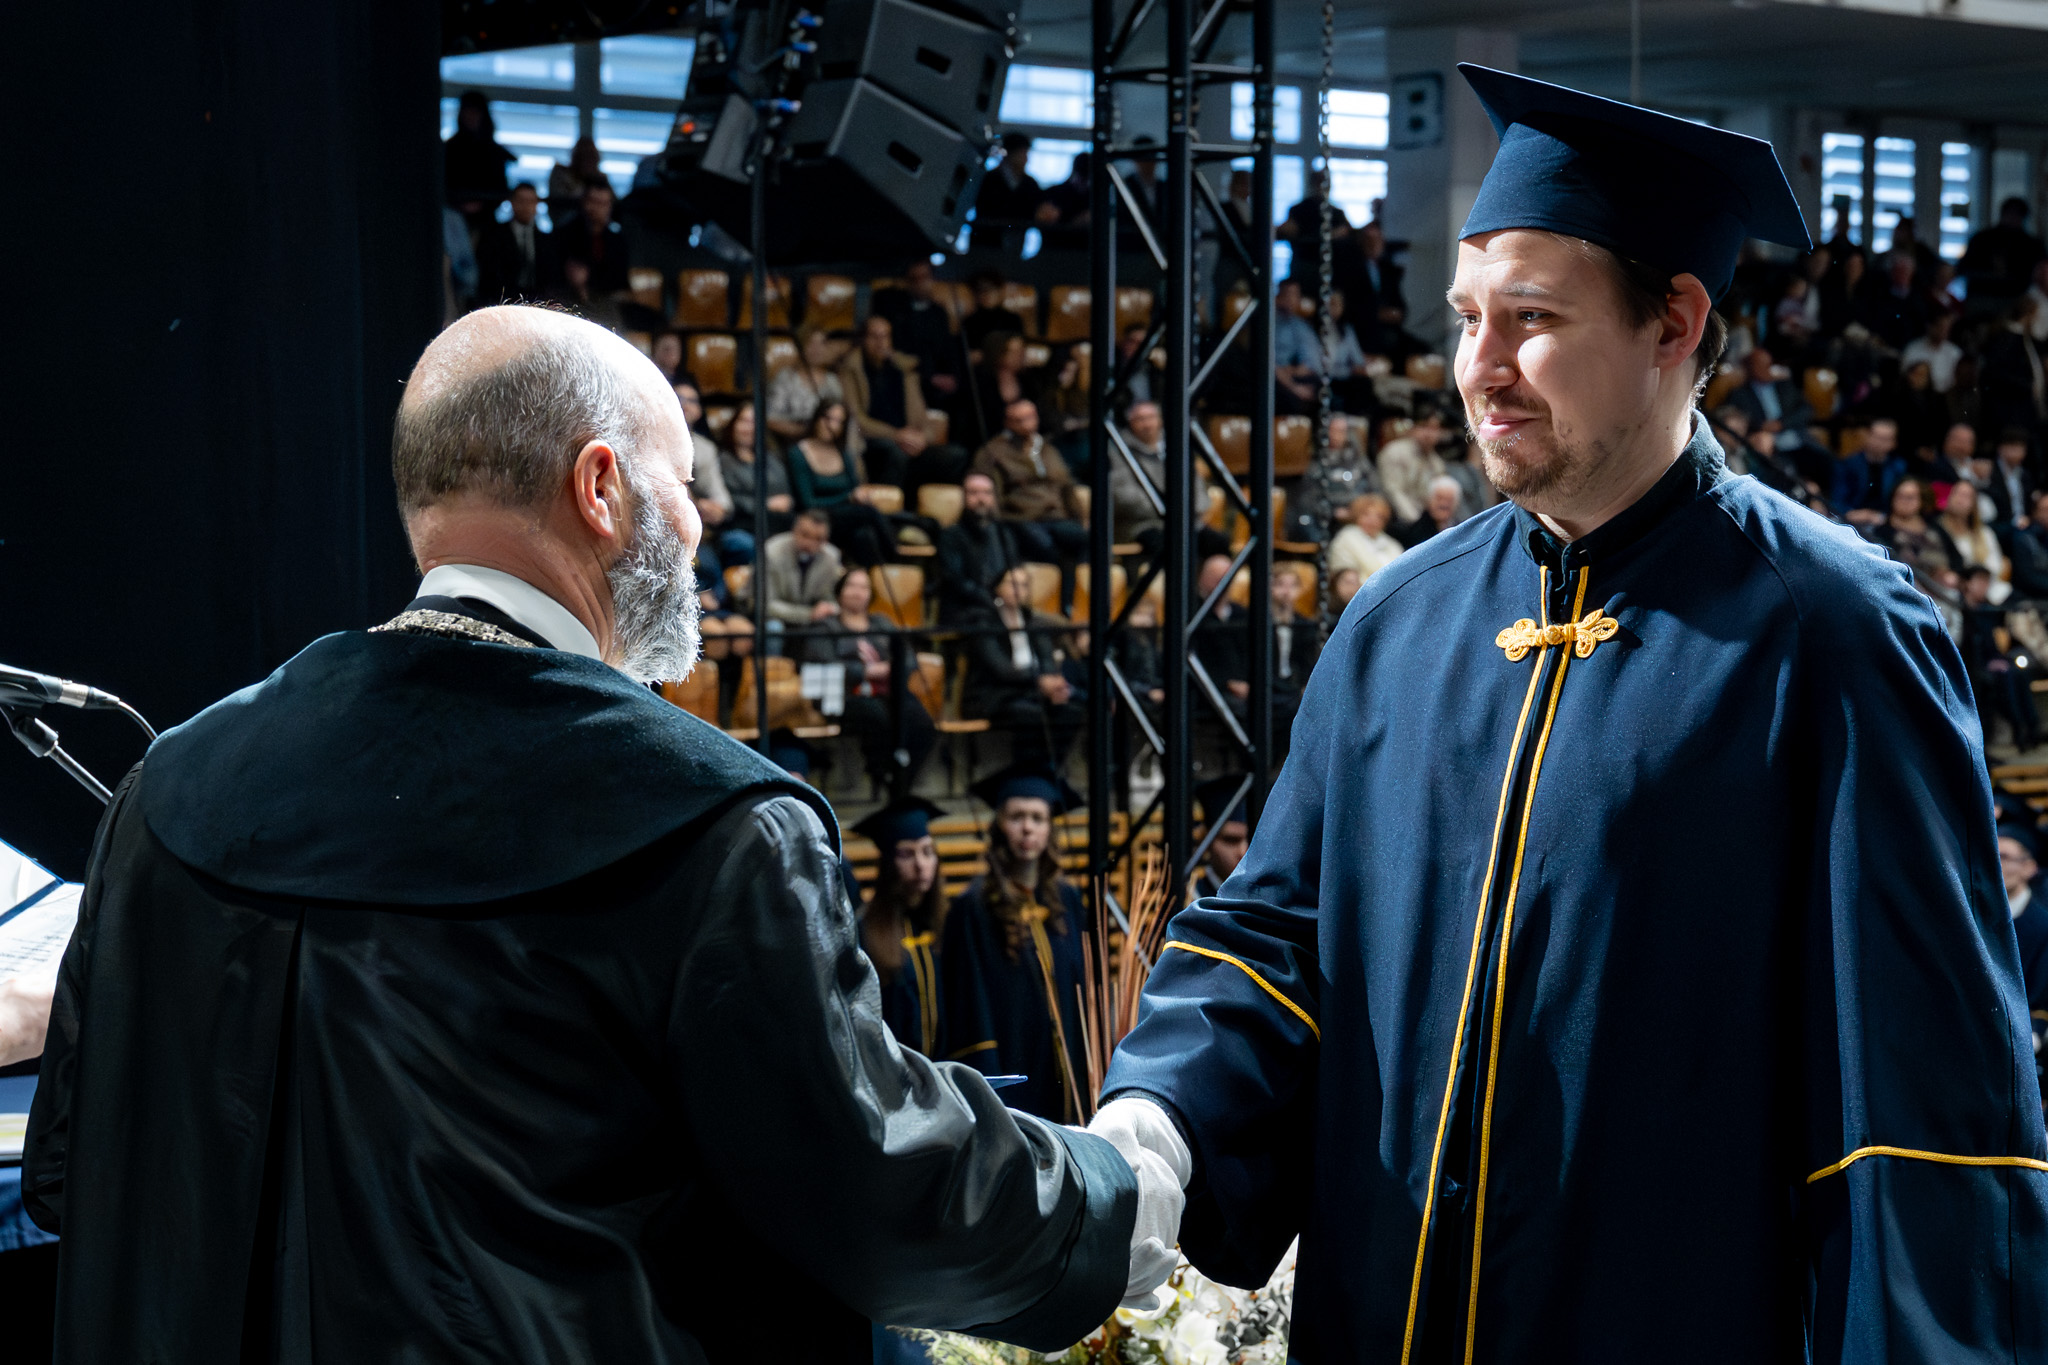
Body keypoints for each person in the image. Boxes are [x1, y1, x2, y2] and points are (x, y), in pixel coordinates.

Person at [1093, 66, 2048, 1361]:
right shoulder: (1397, 624)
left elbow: (1923, 1098)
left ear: (1674, 325)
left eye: (1531, 318)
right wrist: (1164, 1111)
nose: (1479, 367)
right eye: (1465, 318)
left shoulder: (1834, 632)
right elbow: (1281, 942)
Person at [24, 305, 1165, 1361]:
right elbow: (879, 1199)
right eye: (683, 482)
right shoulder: (708, 823)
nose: (701, 520)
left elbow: (73, 1172)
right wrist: (1110, 1193)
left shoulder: (170, 787)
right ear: (601, 485)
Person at [943, 765, 1091, 1123]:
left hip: (1066, 1070)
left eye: (1038, 818)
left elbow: (1084, 987)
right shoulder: (973, 908)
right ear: (999, 826)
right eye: (1017, 817)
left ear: (1050, 829)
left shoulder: (1067, 901)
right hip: (1013, 1072)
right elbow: (969, 1008)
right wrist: (989, 1087)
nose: (1028, 827)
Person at [802, 567, 936, 795]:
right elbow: (822, 664)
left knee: (923, 722)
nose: (857, 592)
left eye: (863, 587)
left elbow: (909, 660)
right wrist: (865, 671)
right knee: (876, 716)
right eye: (851, 586)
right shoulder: (826, 627)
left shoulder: (882, 624)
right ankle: (881, 771)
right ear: (839, 592)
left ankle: (902, 783)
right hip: (844, 695)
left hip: (887, 692)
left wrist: (890, 669)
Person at [850, 798, 950, 1057]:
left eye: (928, 851)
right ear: (887, 864)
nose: (920, 865)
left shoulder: (946, 924)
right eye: (907, 854)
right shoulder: (865, 933)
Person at [961, 565, 1082, 765]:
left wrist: (1053, 681)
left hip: (1031, 691)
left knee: (1071, 710)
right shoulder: (984, 620)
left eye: (1024, 585)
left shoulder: (1032, 620)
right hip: (994, 694)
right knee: (1030, 714)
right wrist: (1039, 680)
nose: (1018, 590)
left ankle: (1049, 769)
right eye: (1012, 584)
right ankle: (1027, 774)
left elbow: (1046, 660)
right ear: (997, 588)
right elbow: (1001, 670)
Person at [974, 396, 1087, 604]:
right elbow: (992, 494)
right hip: (1022, 518)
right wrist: (998, 523)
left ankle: (1080, 603)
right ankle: (1062, 604)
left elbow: (1066, 487)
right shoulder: (994, 452)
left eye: (1030, 417)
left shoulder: (1048, 449)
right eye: (1019, 420)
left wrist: (1078, 517)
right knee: (1050, 551)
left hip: (1057, 517)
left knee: (1090, 542)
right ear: (1008, 423)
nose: (1027, 424)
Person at [839, 315, 968, 493]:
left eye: (885, 336)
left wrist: (923, 438)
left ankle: (931, 510)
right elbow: (857, 420)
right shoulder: (851, 370)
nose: (880, 342)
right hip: (871, 442)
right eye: (874, 336)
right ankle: (889, 511)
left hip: (908, 441)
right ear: (862, 339)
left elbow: (921, 416)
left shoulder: (903, 371)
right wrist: (896, 435)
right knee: (894, 453)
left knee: (955, 455)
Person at [787, 399, 896, 567]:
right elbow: (808, 503)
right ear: (817, 418)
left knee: (863, 535)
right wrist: (848, 497)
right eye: (828, 418)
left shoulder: (843, 452)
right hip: (818, 519)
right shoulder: (797, 453)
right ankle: (896, 559)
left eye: (839, 421)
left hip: (848, 518)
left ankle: (880, 580)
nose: (832, 425)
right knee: (870, 513)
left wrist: (858, 495)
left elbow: (854, 488)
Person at [871, 261, 967, 412]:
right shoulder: (898, 312)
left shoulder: (938, 313)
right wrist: (930, 377)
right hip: (911, 374)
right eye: (914, 279)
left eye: (924, 277)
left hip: (938, 376)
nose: (920, 283)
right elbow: (901, 352)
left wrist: (952, 376)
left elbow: (948, 349)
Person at [935, 472, 1024, 625]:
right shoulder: (951, 535)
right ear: (963, 498)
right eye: (974, 493)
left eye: (987, 493)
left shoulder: (1004, 533)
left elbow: (1014, 570)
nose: (981, 499)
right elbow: (956, 581)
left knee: (1043, 623)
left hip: (1002, 606)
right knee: (986, 621)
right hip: (965, 609)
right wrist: (991, 601)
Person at [769, 326, 855, 445]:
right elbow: (771, 419)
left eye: (821, 344)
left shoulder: (832, 381)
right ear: (801, 347)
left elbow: (840, 415)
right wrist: (805, 432)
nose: (816, 349)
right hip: (793, 441)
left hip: (827, 440)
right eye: (811, 344)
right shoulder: (786, 378)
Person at [475, 182, 557, 303]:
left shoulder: (546, 239)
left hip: (538, 300)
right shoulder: (494, 235)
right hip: (502, 299)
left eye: (531, 201)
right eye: (521, 201)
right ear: (512, 202)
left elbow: (549, 276)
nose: (526, 206)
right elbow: (489, 273)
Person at [444, 90, 512, 230]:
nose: (471, 117)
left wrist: (482, 205)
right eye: (467, 111)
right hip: (452, 220)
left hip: (486, 224)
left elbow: (500, 188)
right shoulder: (449, 149)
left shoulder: (493, 152)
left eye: (475, 112)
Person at [1377, 400, 1454, 523]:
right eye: (1424, 426)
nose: (1429, 434)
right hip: (1395, 519)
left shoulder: (1437, 463)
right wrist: (1415, 521)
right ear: (1413, 428)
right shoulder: (1394, 452)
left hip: (1425, 520)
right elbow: (1393, 492)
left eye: (1434, 429)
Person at [1962, 195, 2048, 302]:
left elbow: (2041, 272)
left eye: (2017, 215)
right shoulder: (1982, 239)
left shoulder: (2031, 244)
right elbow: (1965, 267)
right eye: (2011, 214)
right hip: (1983, 296)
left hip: (2016, 298)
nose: (2013, 219)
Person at [557, 182, 632, 298]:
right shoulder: (564, 235)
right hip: (569, 298)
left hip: (607, 301)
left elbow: (621, 282)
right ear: (584, 202)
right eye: (595, 202)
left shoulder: (617, 240)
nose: (598, 208)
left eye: (604, 204)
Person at [1940, 480, 2010, 602]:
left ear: (1974, 504)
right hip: (1957, 589)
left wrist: (1982, 583)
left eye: (1967, 496)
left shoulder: (1984, 533)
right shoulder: (1939, 530)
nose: (1960, 500)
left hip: (1988, 587)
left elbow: (1995, 564)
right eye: (1957, 494)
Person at [974, 134, 1044, 248]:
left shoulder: (1029, 183)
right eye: (1023, 153)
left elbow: (1036, 209)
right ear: (1010, 154)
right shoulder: (989, 179)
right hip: (986, 242)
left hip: (1015, 243)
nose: (1026, 159)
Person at [1190, 777, 1250, 901]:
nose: (1243, 852)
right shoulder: (1187, 902)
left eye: (1253, 841)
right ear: (1205, 841)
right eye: (1231, 840)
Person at [1326, 492, 1405, 582]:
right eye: (1366, 514)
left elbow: (1401, 571)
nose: (1372, 520)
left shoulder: (1392, 544)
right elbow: (1368, 569)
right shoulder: (1347, 536)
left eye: (1379, 516)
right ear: (1357, 515)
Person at [1986, 426, 2040, 529]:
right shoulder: (1990, 471)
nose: (2017, 452)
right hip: (2001, 524)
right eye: (2013, 447)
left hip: (2025, 523)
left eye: (2020, 448)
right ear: (2001, 448)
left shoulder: (2025, 474)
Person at [547, 135, 605, 223]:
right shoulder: (561, 174)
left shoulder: (600, 180)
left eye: (590, 157)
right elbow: (558, 202)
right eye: (584, 156)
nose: (587, 162)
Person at [1395, 475, 1465, 549]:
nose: (1444, 504)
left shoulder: (1462, 530)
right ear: (1428, 500)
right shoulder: (1414, 532)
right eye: (1439, 498)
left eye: (1449, 500)